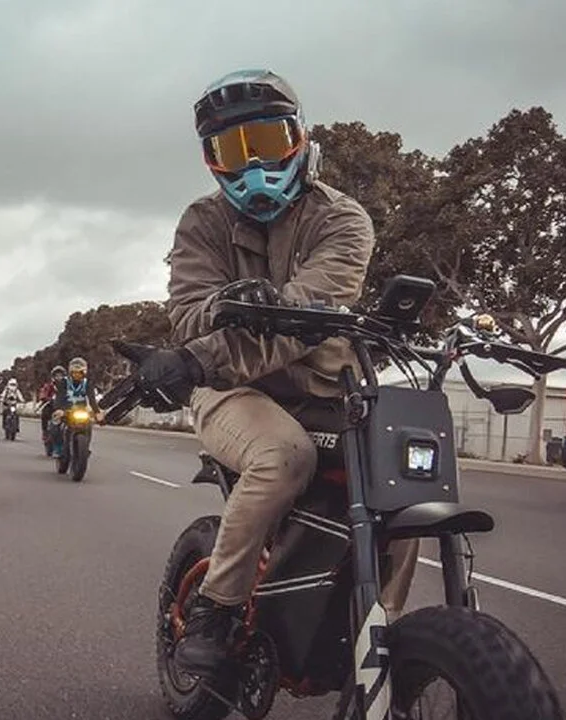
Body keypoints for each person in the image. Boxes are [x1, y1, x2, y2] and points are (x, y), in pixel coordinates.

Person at [124, 69, 421, 679]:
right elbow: (188, 315)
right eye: (231, 149)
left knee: (404, 486)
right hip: (232, 391)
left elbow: (310, 312)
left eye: (265, 139)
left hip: (324, 391)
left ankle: (378, 639)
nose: (252, 162)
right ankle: (217, 609)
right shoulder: (201, 223)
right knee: (283, 458)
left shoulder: (344, 219)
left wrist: (264, 314)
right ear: (211, 161)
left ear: (299, 137)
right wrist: (232, 305)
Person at [37, 365, 65, 454]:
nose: (59, 377)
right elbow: (43, 392)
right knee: (45, 413)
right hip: (51, 406)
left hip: (64, 407)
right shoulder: (49, 386)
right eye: (57, 375)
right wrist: (45, 398)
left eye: (60, 375)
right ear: (53, 376)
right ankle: (45, 432)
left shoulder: (68, 385)